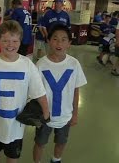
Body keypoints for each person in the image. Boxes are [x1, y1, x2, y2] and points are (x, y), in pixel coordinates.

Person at [0, 20, 50, 163]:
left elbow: (39, 92)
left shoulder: (27, 65)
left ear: (20, 41)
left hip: (16, 126)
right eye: (5, 40)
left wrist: (46, 114)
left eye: (14, 40)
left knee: (13, 158)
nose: (10, 45)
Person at [33, 24, 87, 163]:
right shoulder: (41, 64)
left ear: (69, 43)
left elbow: (76, 90)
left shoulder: (74, 64)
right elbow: (36, 91)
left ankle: (56, 159)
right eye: (55, 39)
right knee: (40, 143)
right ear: (49, 41)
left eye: (64, 40)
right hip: (45, 115)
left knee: (61, 141)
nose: (59, 43)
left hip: (65, 114)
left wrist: (75, 114)